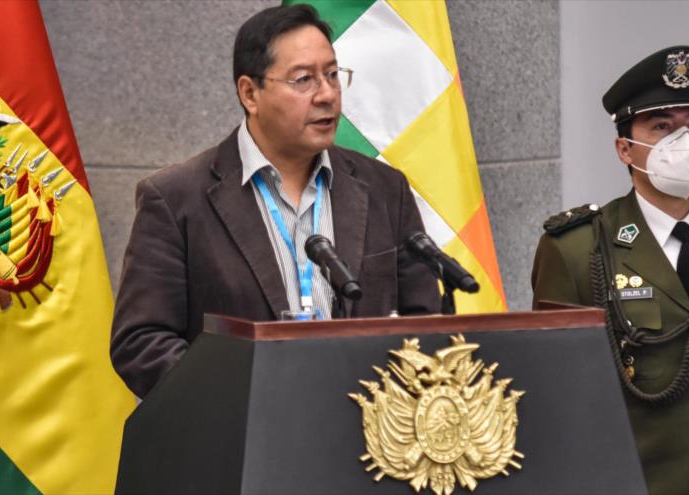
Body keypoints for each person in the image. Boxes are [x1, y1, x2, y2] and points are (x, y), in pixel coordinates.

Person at [110, 5, 441, 399]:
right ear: (250, 93)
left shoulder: (385, 188)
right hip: (243, 443)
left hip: (366, 440)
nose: (327, 94)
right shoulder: (176, 199)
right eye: (304, 79)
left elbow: (424, 321)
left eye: (333, 75)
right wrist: (246, 401)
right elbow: (141, 341)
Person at [531, 46, 689, 494]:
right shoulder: (577, 248)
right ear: (625, 148)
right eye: (662, 127)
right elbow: (558, 400)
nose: (684, 142)